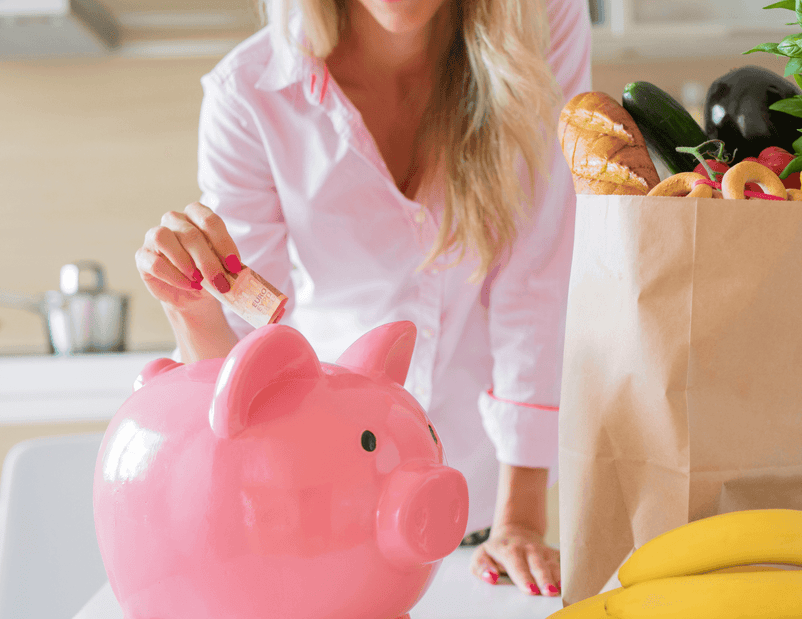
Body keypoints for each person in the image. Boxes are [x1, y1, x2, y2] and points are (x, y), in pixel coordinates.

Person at [134, 0, 591, 598]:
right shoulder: (249, 94)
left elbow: (537, 276)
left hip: (481, 504)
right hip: (317, 511)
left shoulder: (540, 22)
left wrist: (522, 518)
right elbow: (248, 342)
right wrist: (193, 311)